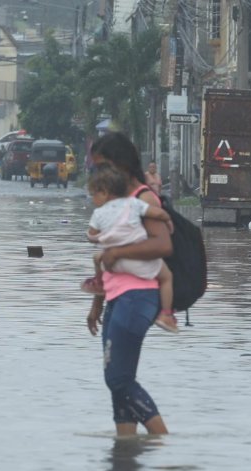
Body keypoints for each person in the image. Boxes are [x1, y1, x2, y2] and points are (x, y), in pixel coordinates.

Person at [86, 132, 173, 436]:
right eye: (96, 169)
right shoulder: (115, 201)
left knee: (119, 379)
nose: (100, 175)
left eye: (104, 166)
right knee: (117, 382)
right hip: (116, 298)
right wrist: (97, 303)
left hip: (139, 297)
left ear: (121, 164)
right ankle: (125, 457)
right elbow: (109, 260)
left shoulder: (143, 199)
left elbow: (163, 245)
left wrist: (118, 253)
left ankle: (162, 440)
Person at [83, 165, 179, 334]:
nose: (92, 199)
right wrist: (168, 221)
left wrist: (97, 237)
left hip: (110, 262)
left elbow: (91, 235)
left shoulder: (98, 214)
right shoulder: (134, 204)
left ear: (105, 193)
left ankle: (99, 281)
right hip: (137, 261)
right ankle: (166, 314)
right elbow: (158, 214)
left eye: (93, 195)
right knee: (166, 277)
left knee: (96, 257)